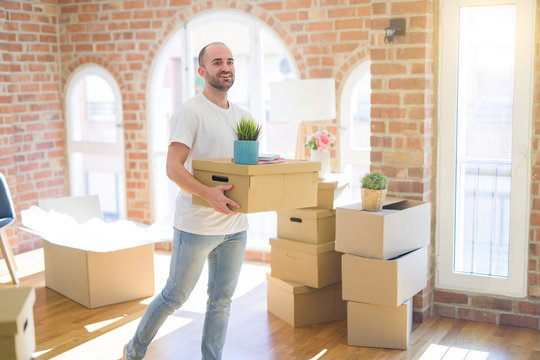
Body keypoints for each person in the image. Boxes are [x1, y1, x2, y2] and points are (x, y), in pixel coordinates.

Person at [123, 42, 253, 360]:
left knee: (221, 301)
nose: (226, 67)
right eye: (217, 62)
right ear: (202, 71)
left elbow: (244, 169)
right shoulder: (190, 112)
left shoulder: (244, 117)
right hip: (196, 226)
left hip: (235, 227)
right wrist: (207, 194)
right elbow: (172, 167)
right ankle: (134, 350)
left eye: (230, 61)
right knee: (174, 295)